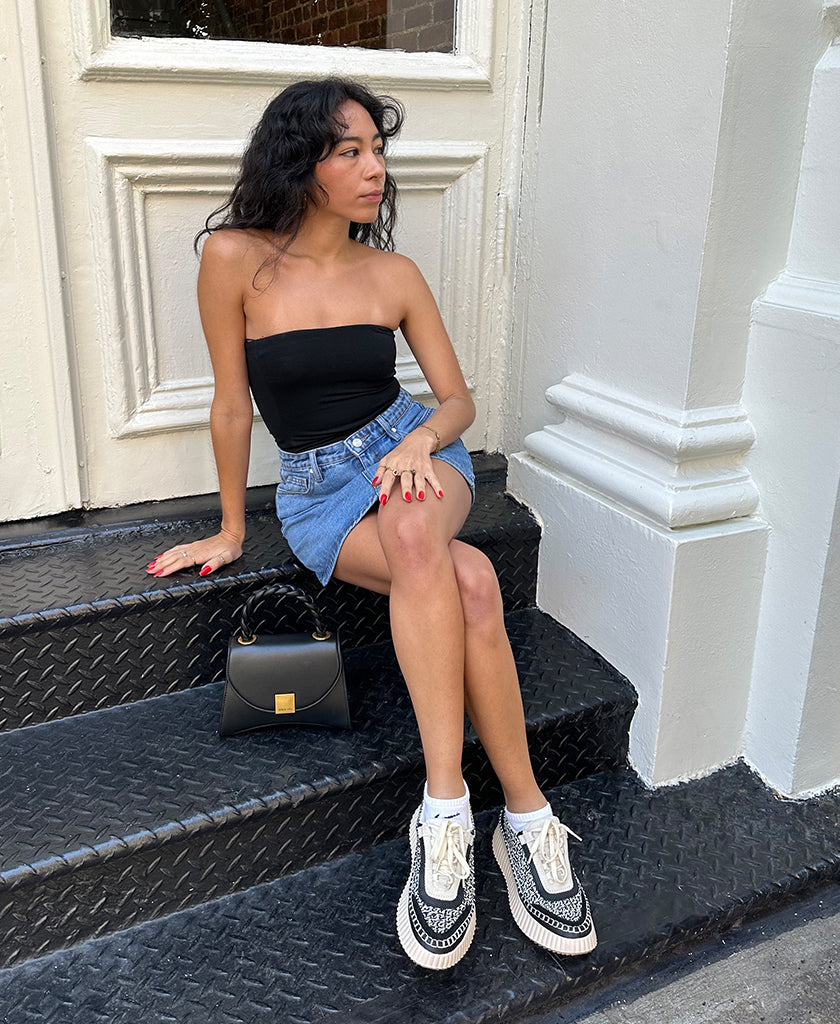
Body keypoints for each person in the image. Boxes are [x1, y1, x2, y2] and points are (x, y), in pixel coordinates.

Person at [145, 77, 596, 970]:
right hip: (318, 489)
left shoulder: (393, 274)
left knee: (418, 529)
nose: (374, 169)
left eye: (377, 151)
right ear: (298, 160)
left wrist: (420, 440)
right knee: (472, 579)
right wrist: (231, 529)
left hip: (415, 453)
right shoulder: (234, 258)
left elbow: (457, 400)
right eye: (349, 151)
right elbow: (231, 406)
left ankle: (448, 811)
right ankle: (520, 817)